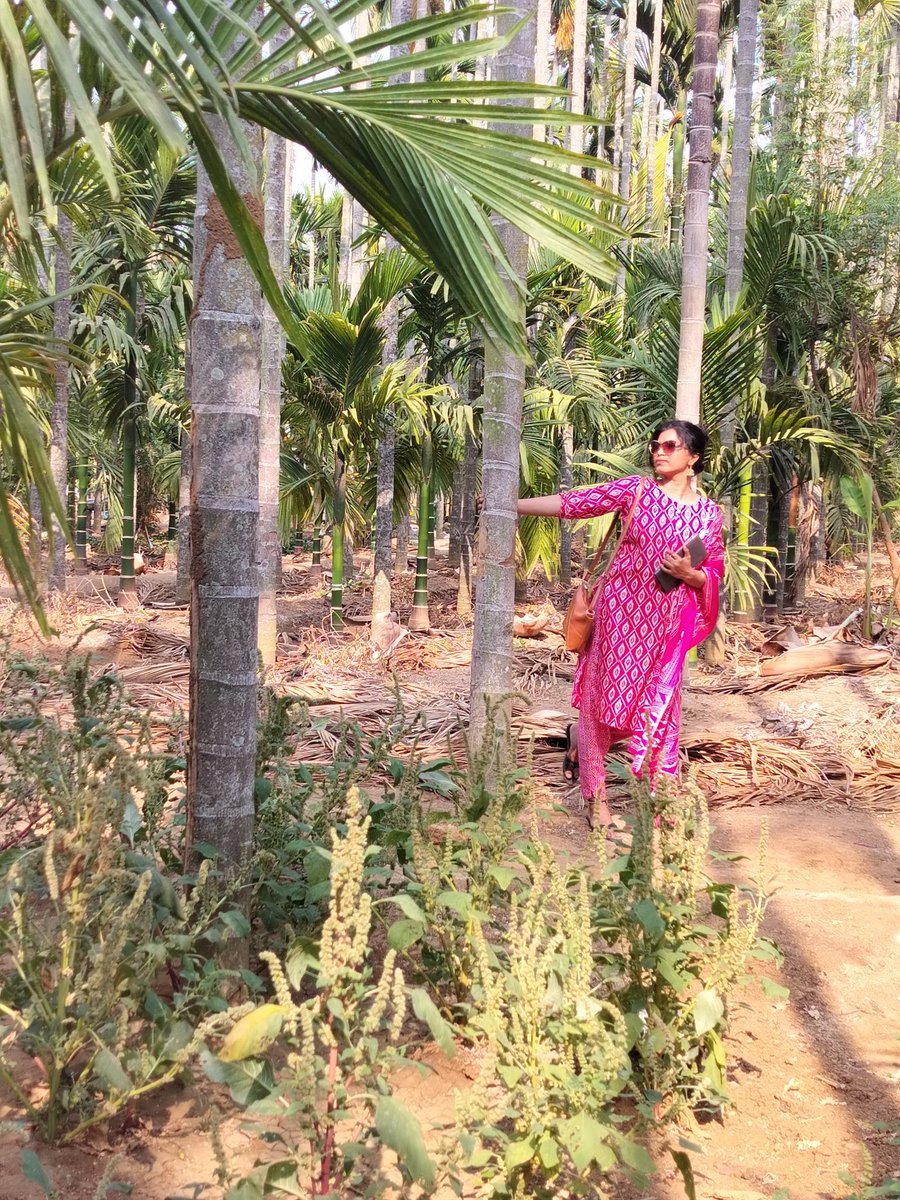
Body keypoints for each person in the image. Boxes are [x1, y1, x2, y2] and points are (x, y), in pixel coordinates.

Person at [516, 421, 725, 829]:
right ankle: (596, 797)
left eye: (670, 446)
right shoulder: (637, 491)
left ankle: (660, 801)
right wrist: (512, 504)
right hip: (619, 616)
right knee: (602, 704)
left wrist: (690, 574)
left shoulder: (709, 514)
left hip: (666, 630)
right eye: (656, 445)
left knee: (659, 712)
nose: (659, 452)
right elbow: (574, 502)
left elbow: (713, 572)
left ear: (693, 458)